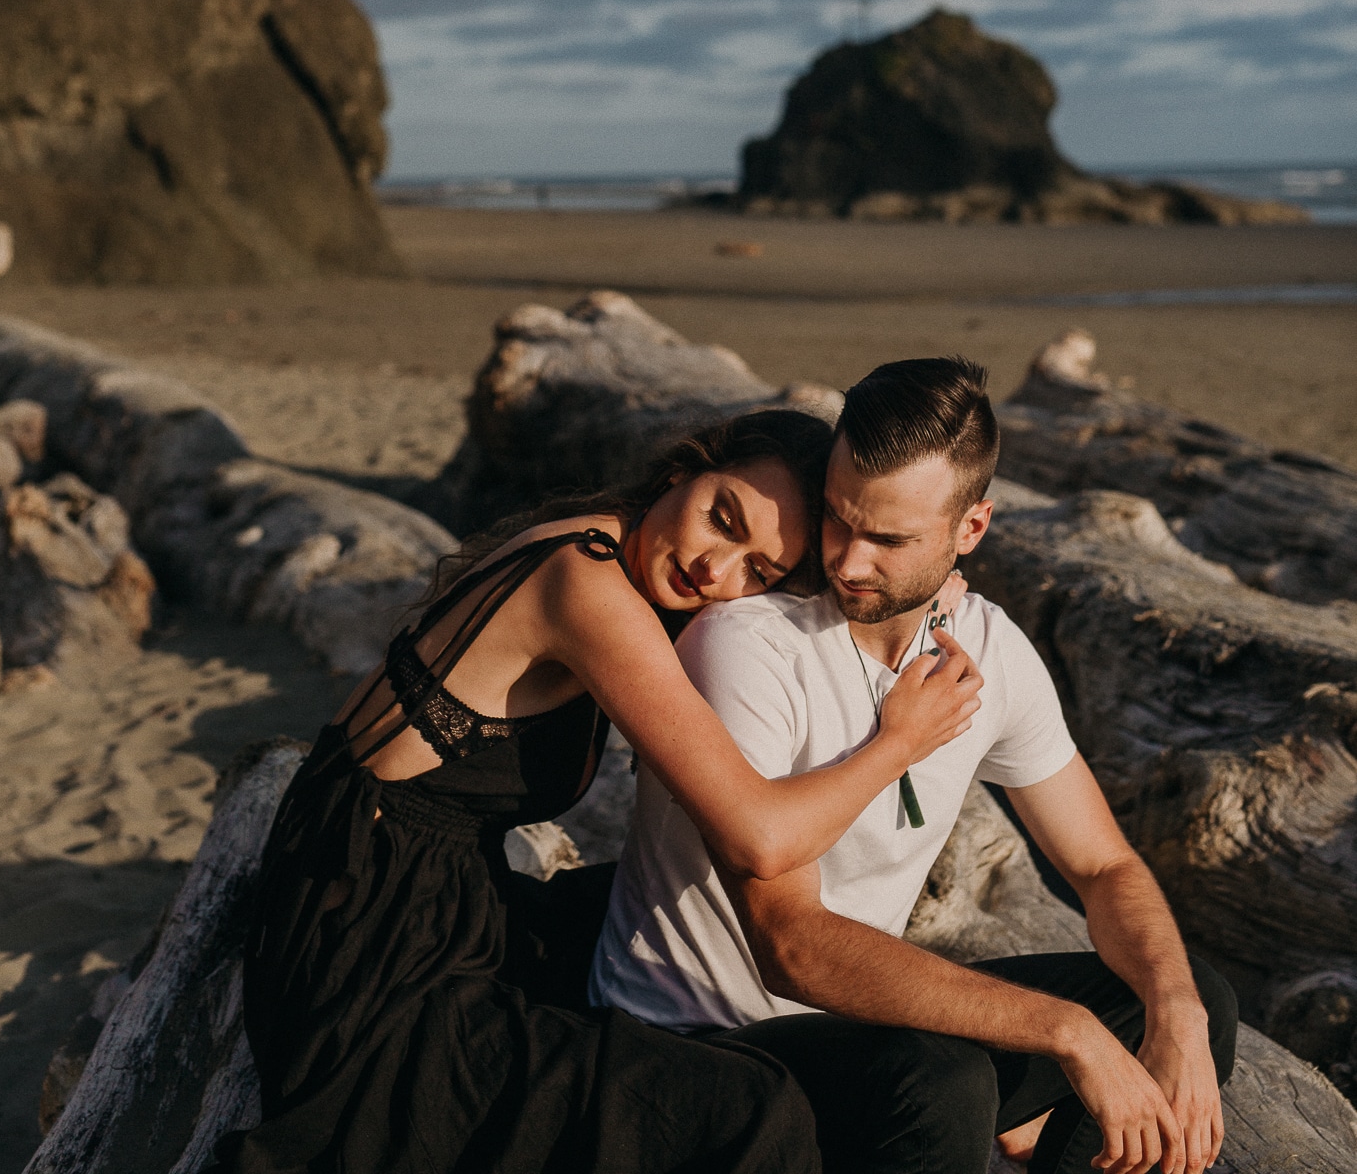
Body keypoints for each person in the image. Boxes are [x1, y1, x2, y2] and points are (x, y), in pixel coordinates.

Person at [210, 407, 983, 1174]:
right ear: (683, 469)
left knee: (671, 914)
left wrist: (910, 592)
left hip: (415, 893)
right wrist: (898, 743)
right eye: (723, 518)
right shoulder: (584, 584)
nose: (716, 570)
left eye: (760, 570)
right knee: (749, 1108)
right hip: (369, 956)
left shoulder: (615, 550)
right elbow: (760, 835)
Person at [592, 359, 1237, 1174]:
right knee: (943, 1078)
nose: (849, 563)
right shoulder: (747, 643)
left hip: (858, 1036)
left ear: (970, 529)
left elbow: (1102, 863)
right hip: (691, 1046)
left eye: (888, 539)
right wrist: (1064, 1032)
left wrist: (1172, 1013)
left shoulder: (990, 648)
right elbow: (788, 943)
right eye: (835, 518)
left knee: (1189, 999)